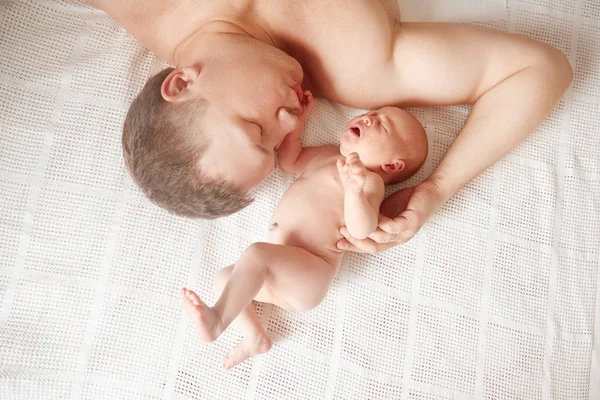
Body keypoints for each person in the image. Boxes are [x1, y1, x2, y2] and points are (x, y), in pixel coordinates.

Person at [92, 0, 573, 252]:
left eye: (254, 126)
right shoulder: (356, 62)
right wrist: (438, 188)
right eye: (277, 144)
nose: (290, 120)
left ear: (180, 84)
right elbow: (539, 69)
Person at [181, 103, 429, 369]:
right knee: (224, 278)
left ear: (391, 165)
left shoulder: (369, 181)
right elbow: (291, 161)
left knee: (256, 254)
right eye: (370, 114)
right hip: (276, 272)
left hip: (311, 271)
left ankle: (218, 319)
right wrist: (297, 124)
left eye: (381, 124)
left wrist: (354, 192)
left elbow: (362, 229)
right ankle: (254, 337)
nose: (368, 119)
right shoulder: (329, 155)